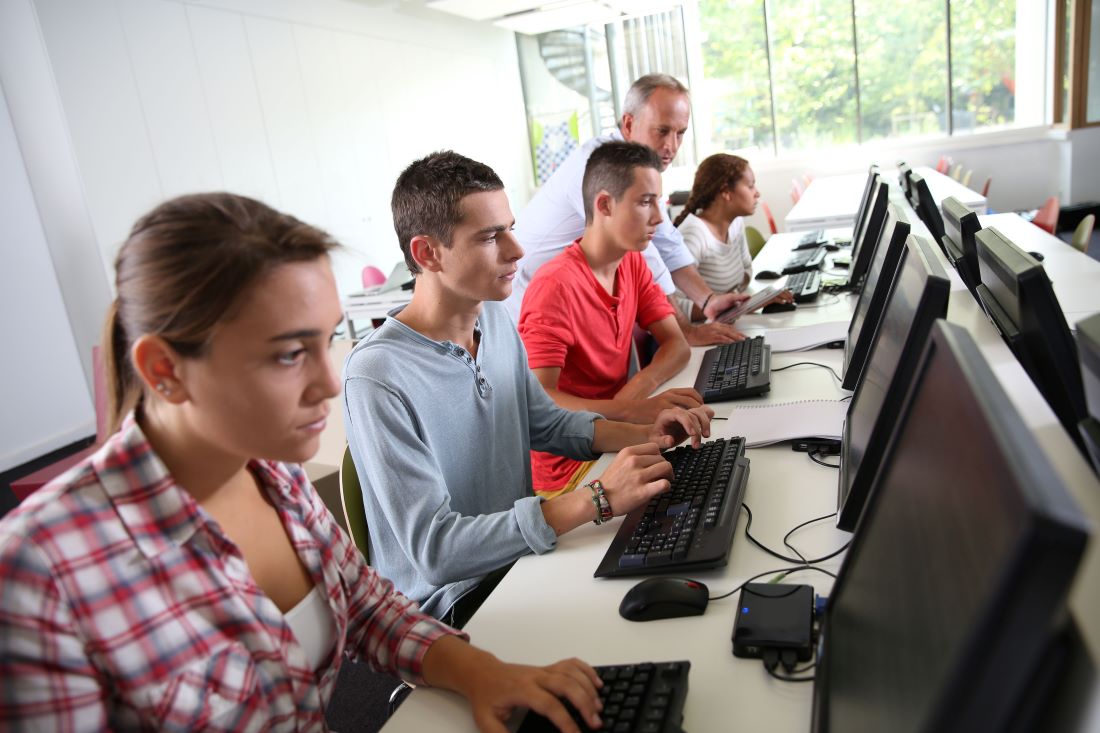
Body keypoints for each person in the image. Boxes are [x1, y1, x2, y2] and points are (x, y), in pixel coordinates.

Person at [0, 193, 610, 733]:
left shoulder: (273, 475)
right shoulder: (38, 575)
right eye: (290, 355)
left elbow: (369, 608)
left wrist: (480, 672)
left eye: (324, 342)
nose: (326, 383)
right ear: (165, 371)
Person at [342, 151, 713, 625]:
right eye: (491, 237)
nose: (516, 250)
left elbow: (546, 421)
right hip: (453, 603)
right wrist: (596, 499)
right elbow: (435, 552)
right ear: (427, 253)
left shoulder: (493, 317)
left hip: (519, 559)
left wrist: (648, 433)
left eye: (510, 228)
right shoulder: (377, 376)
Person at [505, 74, 753, 344]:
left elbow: (667, 241)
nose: (671, 146)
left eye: (680, 133)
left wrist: (708, 300)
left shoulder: (638, 170)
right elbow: (649, 258)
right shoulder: (599, 169)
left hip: (575, 296)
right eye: (662, 131)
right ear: (628, 123)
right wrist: (686, 331)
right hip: (528, 306)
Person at [518, 142, 703, 493]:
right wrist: (630, 410)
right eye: (645, 202)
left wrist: (634, 396)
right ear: (604, 204)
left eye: (658, 202)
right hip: (570, 471)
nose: (658, 218)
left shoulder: (631, 262)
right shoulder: (555, 285)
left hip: (619, 436)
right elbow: (540, 399)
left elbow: (676, 345)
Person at [672, 153, 791, 320]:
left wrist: (752, 302)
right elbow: (672, 306)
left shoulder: (735, 223)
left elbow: (746, 270)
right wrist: (735, 306)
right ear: (726, 192)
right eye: (750, 186)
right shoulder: (693, 235)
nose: (757, 193)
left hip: (728, 322)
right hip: (700, 334)